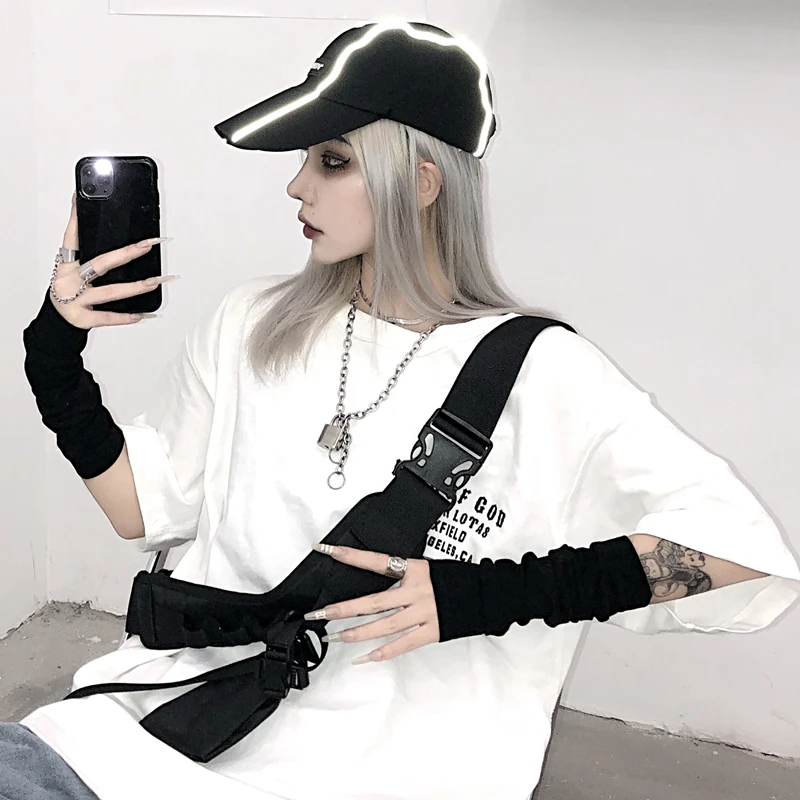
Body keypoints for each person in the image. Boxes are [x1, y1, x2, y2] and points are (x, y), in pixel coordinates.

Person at [11, 19, 800, 800]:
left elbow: (742, 552)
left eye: (332, 160)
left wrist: (480, 596)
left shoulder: (542, 372)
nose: (296, 185)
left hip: (397, 766)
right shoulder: (253, 324)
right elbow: (138, 507)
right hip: (161, 726)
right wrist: (55, 352)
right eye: (304, 160)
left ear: (421, 183)